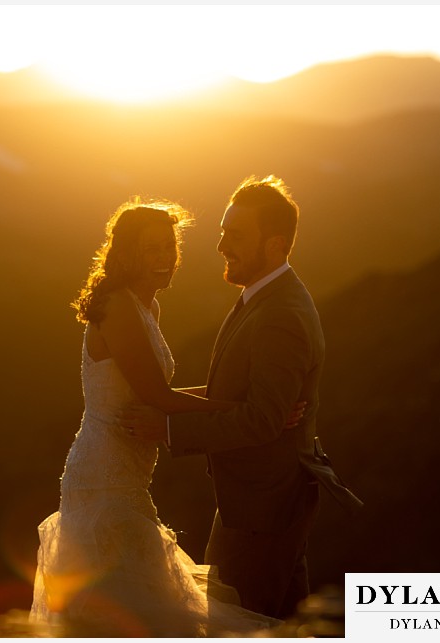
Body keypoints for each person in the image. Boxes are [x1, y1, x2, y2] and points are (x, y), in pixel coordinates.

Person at [29, 199, 301, 636]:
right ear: (125, 253)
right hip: (103, 478)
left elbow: (163, 394)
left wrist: (250, 400)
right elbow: (160, 396)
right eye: (151, 249)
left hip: (129, 477)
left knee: (140, 609)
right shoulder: (117, 306)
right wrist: (251, 411)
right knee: (125, 612)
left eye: (169, 248)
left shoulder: (146, 308)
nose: (165, 259)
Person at [123, 176, 363, 620]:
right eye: (222, 232)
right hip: (262, 501)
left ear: (274, 245)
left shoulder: (280, 316)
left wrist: (170, 427)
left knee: (233, 621)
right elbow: (242, 400)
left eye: (234, 236)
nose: (220, 247)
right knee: (281, 621)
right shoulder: (264, 298)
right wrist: (164, 400)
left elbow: (263, 420)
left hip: (263, 509)